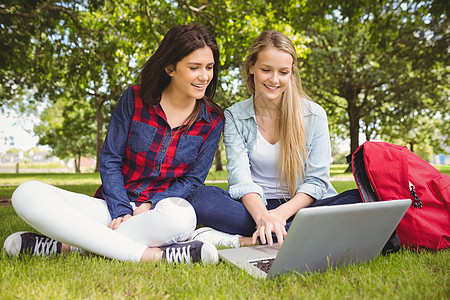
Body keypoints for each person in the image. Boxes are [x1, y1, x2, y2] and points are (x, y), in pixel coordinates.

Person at [3, 24, 224, 264]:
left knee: (182, 219)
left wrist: (150, 204)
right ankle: (152, 255)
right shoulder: (135, 98)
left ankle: (70, 246)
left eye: (209, 67)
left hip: (159, 212)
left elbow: (193, 180)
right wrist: (121, 210)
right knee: (27, 193)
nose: (204, 76)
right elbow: (110, 158)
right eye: (194, 67)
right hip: (110, 206)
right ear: (170, 67)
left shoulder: (212, 120)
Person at [187, 30, 361, 248]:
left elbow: (316, 182)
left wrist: (277, 217)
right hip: (254, 208)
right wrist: (263, 217)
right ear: (251, 68)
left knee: (360, 198)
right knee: (199, 197)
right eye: (266, 70)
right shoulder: (234, 115)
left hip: (301, 207)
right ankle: (295, 234)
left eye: (283, 72)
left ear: (291, 73)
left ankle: (254, 239)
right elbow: (241, 178)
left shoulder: (314, 115)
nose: (274, 80)